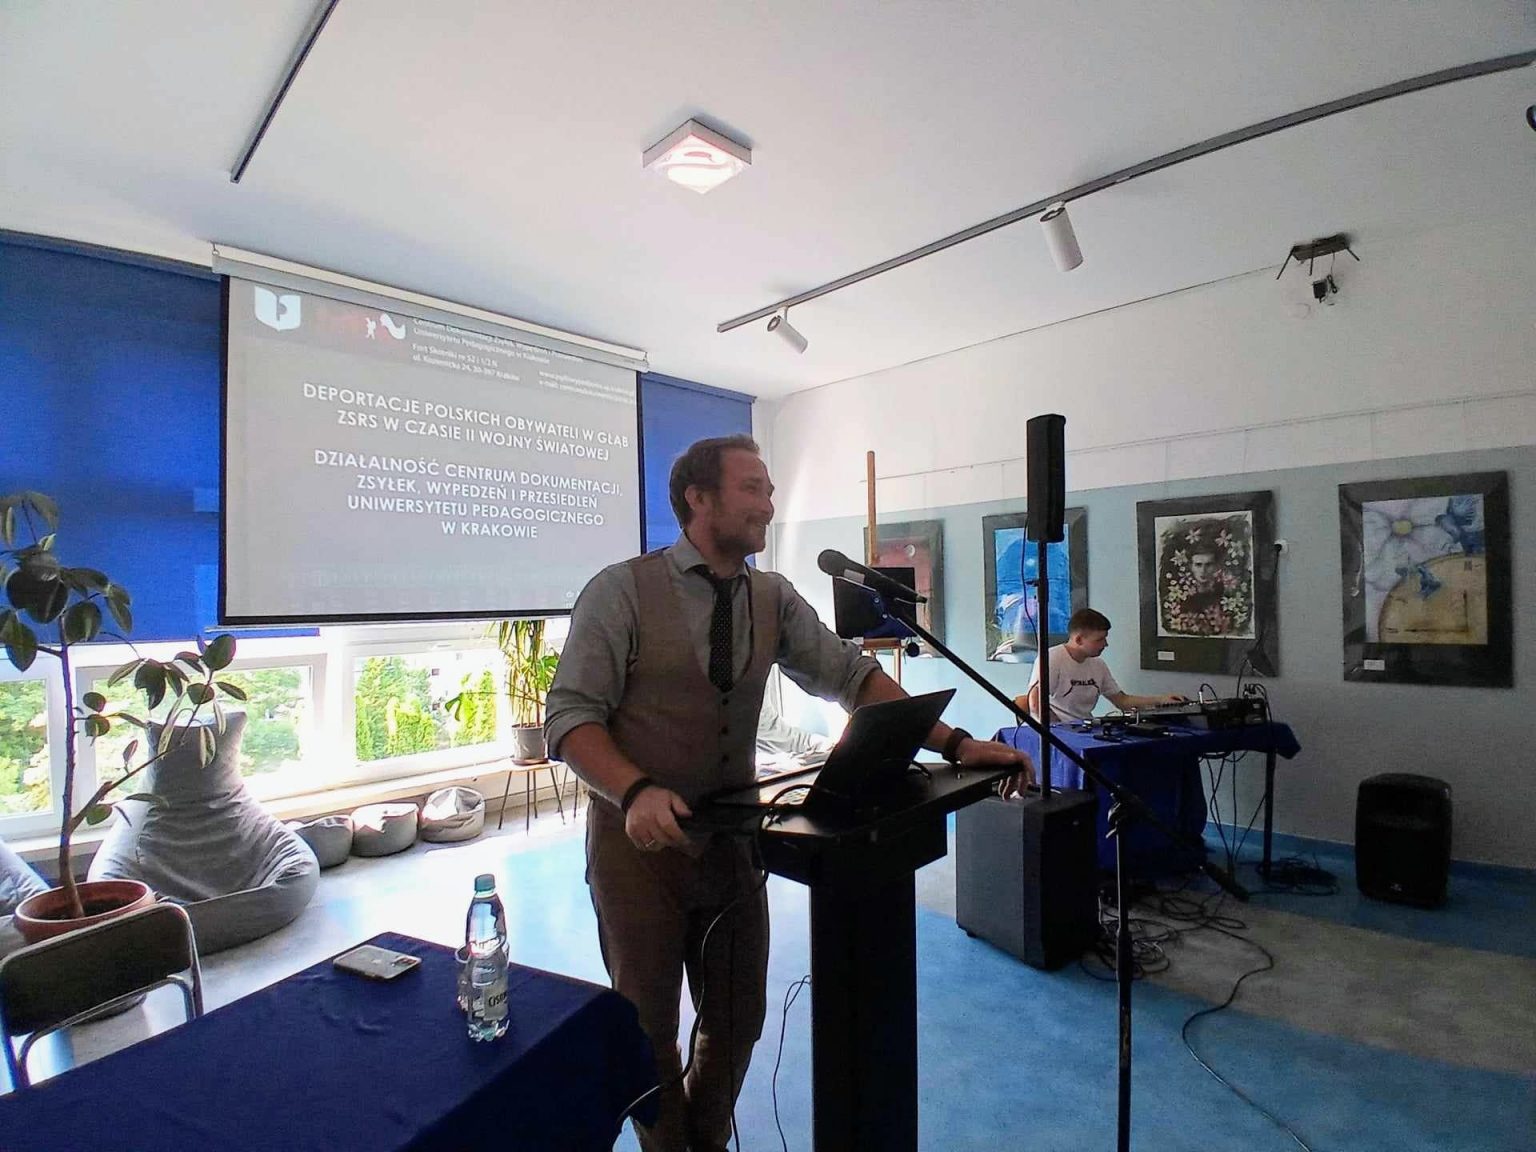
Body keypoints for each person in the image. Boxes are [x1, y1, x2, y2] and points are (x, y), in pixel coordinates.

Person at [545, 434, 1033, 1152]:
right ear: (698, 498)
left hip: (733, 843)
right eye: (752, 489)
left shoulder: (771, 597)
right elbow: (569, 718)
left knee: (737, 1020)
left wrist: (955, 743)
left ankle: (705, 1138)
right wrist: (635, 789)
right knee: (648, 1028)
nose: (768, 505)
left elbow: (851, 677)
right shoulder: (621, 591)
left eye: (770, 491)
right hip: (637, 849)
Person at [1023, 607, 1186, 723]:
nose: (1105, 644)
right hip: (1059, 735)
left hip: (1085, 730)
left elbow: (1122, 701)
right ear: (1079, 639)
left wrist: (1161, 699)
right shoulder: (1052, 658)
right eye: (1099, 639)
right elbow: (1036, 703)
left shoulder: (1098, 665)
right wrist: (1061, 730)